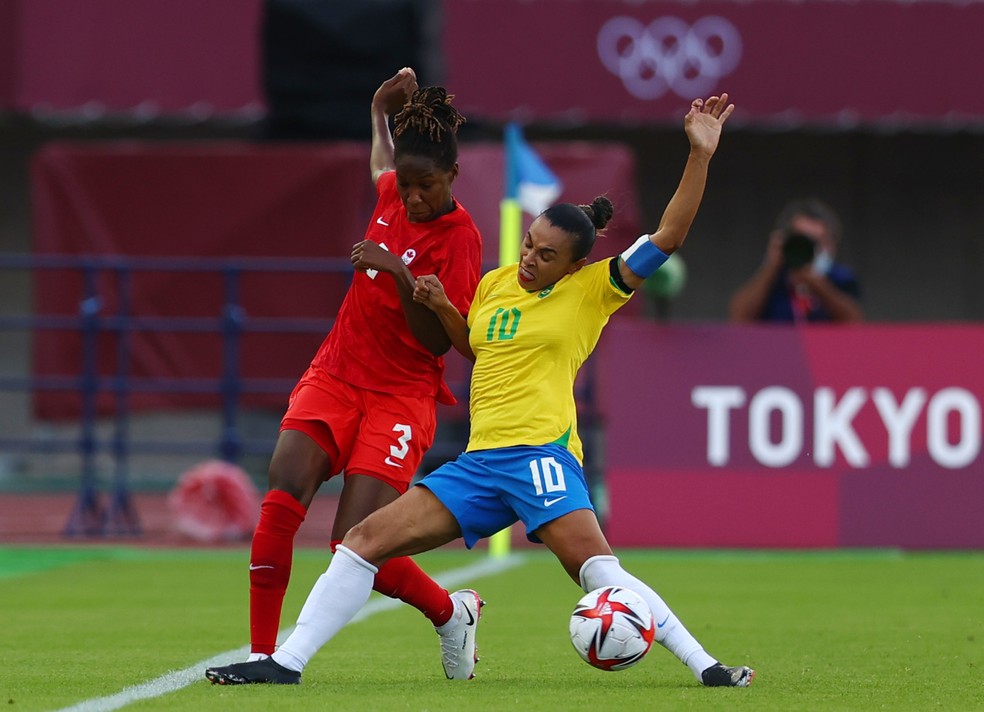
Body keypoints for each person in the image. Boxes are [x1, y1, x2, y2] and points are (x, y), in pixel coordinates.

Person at [205, 93, 755, 688]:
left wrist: (699, 154)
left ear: (573, 266)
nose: (529, 260)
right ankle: (285, 665)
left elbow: (669, 234)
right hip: (480, 462)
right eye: (528, 245)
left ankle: (708, 667)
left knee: (598, 571)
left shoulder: (597, 289)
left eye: (546, 256)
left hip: (540, 457)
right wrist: (442, 307)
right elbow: (473, 349)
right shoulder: (495, 284)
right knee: (362, 541)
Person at [205, 67, 485, 683]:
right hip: (336, 373)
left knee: (356, 544)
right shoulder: (393, 190)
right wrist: (376, 113)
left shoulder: (461, 239)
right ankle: (261, 656)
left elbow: (439, 339)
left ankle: (450, 612)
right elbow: (381, 163)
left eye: (425, 186)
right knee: (281, 496)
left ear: (453, 177)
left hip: (401, 395)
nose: (411, 197)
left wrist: (397, 273)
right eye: (407, 185)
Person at [728, 197, 863, 323]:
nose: (809, 249)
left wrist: (816, 283)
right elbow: (739, 318)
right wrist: (772, 264)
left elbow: (854, 323)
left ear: (831, 246)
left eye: (817, 243)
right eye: (802, 240)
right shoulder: (771, 277)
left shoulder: (841, 278)